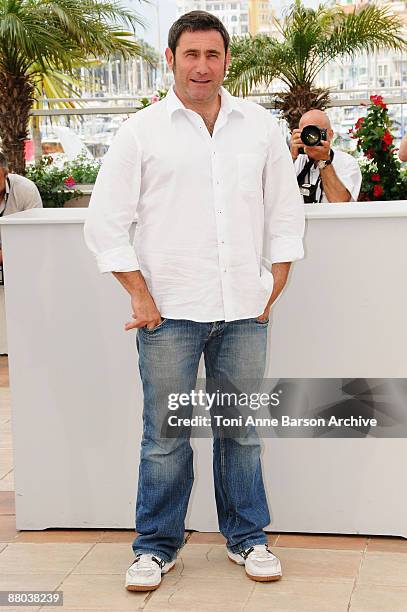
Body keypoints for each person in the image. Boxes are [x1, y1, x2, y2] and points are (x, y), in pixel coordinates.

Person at [83, 10, 305, 592]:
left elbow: (284, 213)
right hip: (168, 313)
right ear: (171, 60)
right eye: (191, 55)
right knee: (164, 435)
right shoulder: (141, 132)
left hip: (243, 312)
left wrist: (272, 284)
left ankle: (248, 538)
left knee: (241, 432)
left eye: (212, 55)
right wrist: (140, 294)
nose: (202, 66)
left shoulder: (258, 128)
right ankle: (155, 548)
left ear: (227, 61)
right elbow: (106, 224)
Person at [291, 109, 362, 203]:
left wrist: (323, 160)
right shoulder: (295, 161)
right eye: (307, 132)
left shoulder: (347, 162)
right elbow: (275, 195)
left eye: (316, 131)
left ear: (330, 134)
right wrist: (291, 157)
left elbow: (339, 201)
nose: (311, 137)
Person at [0, 151, 43, 266]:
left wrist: (8, 252)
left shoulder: (26, 189)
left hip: (21, 251)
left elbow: (35, 231)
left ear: (6, 174)